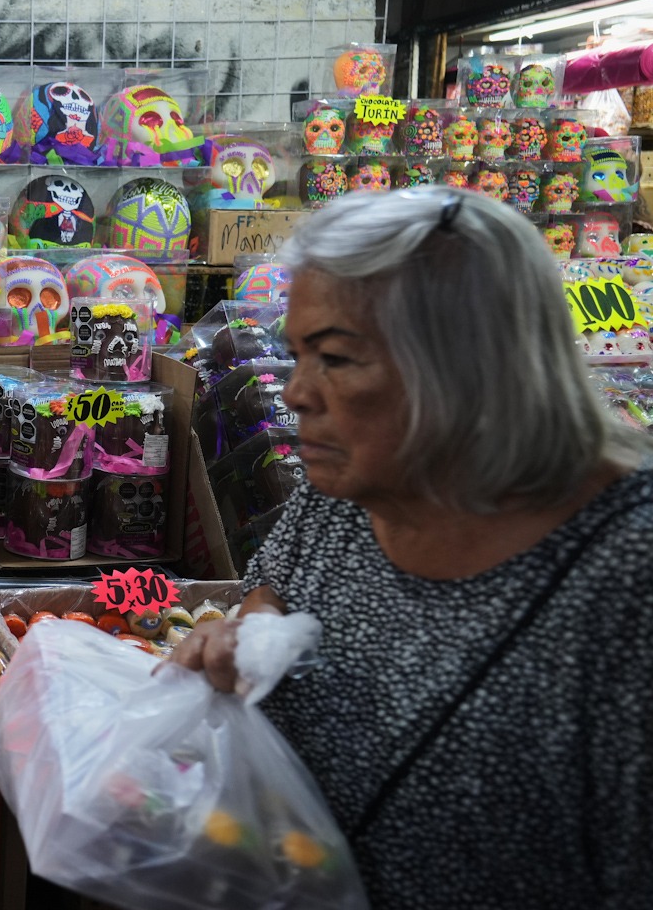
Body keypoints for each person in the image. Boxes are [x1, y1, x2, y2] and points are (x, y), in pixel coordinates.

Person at [172, 189, 652, 908]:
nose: (297, 392)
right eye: (296, 353)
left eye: (333, 357)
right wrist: (244, 635)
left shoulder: (627, 578)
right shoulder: (345, 494)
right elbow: (272, 589)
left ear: (471, 362)